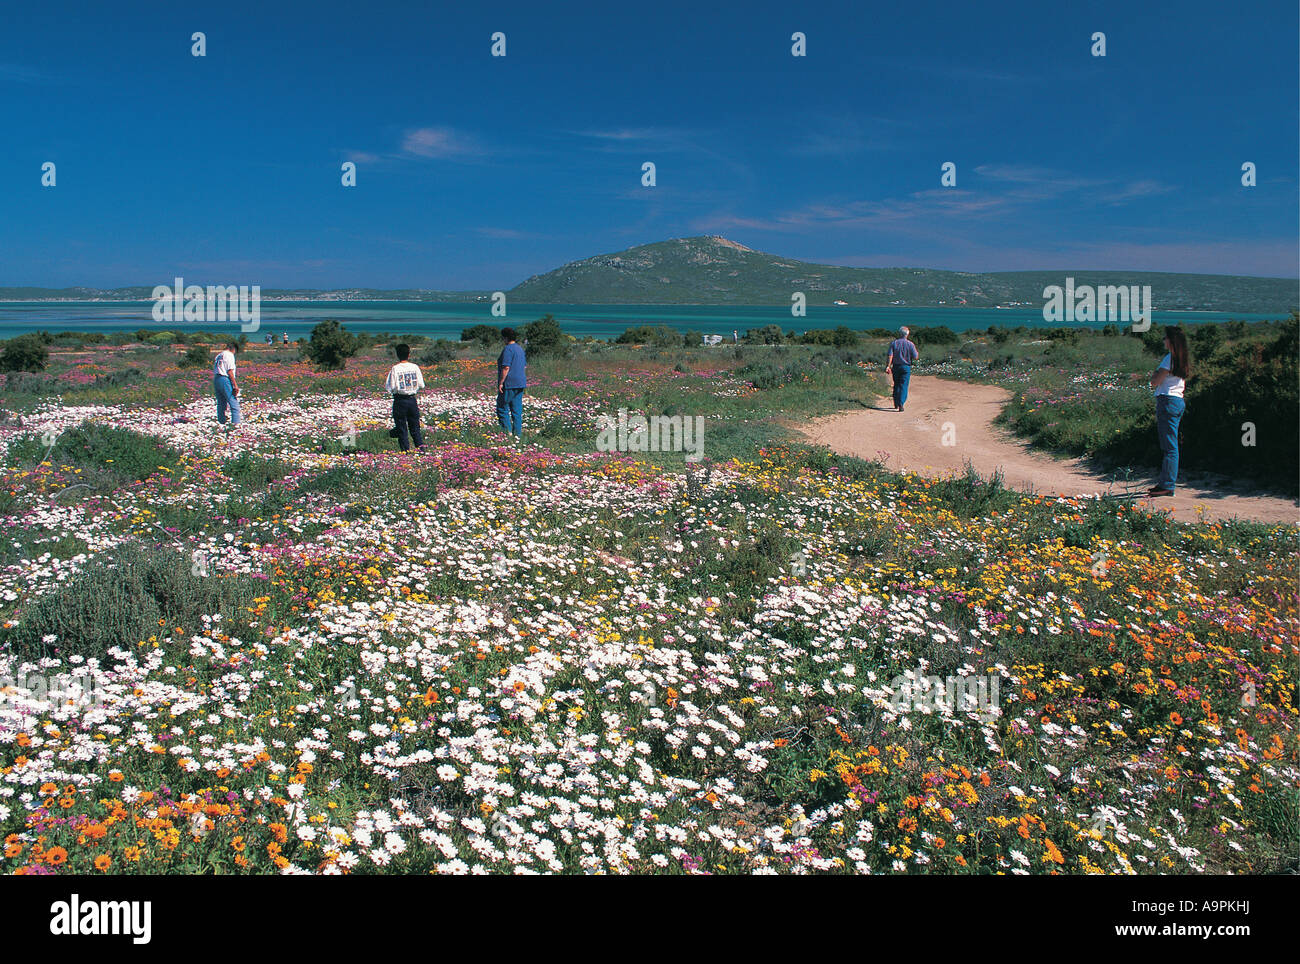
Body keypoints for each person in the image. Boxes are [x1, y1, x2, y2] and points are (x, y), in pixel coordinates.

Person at [1148, 326, 1190, 497]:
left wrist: (1154, 375)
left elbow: (1155, 382)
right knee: (1171, 445)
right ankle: (1165, 483)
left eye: (1165, 337)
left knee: (1169, 447)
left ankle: (1167, 485)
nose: (1163, 340)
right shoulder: (1181, 359)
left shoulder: (1168, 359)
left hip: (1167, 401)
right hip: (1177, 400)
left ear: (1171, 341)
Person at [385, 343, 425, 452]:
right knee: (415, 428)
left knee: (401, 428)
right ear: (409, 354)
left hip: (400, 400)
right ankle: (421, 451)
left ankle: (405, 452)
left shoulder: (395, 369)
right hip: (412, 400)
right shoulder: (415, 367)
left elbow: (391, 387)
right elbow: (421, 385)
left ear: (397, 355)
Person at [496, 327, 526, 440]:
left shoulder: (508, 349)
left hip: (509, 383)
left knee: (502, 408)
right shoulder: (520, 349)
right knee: (516, 410)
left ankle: (506, 433)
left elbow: (506, 367)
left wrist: (501, 382)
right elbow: (524, 365)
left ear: (505, 337)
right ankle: (517, 435)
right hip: (520, 382)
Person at [885, 326, 919, 411]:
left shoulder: (894, 343)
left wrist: (888, 366)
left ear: (900, 334)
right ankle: (901, 403)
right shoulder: (910, 344)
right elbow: (915, 357)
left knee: (896, 384)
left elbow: (890, 355)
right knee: (903, 385)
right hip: (906, 367)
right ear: (907, 334)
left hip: (896, 366)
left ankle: (896, 402)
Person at [213, 340, 242, 427]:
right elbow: (230, 371)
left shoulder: (219, 355)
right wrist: (235, 385)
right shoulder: (229, 355)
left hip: (217, 378)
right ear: (233, 349)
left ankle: (221, 423)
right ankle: (235, 425)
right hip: (224, 379)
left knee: (221, 403)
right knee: (234, 403)